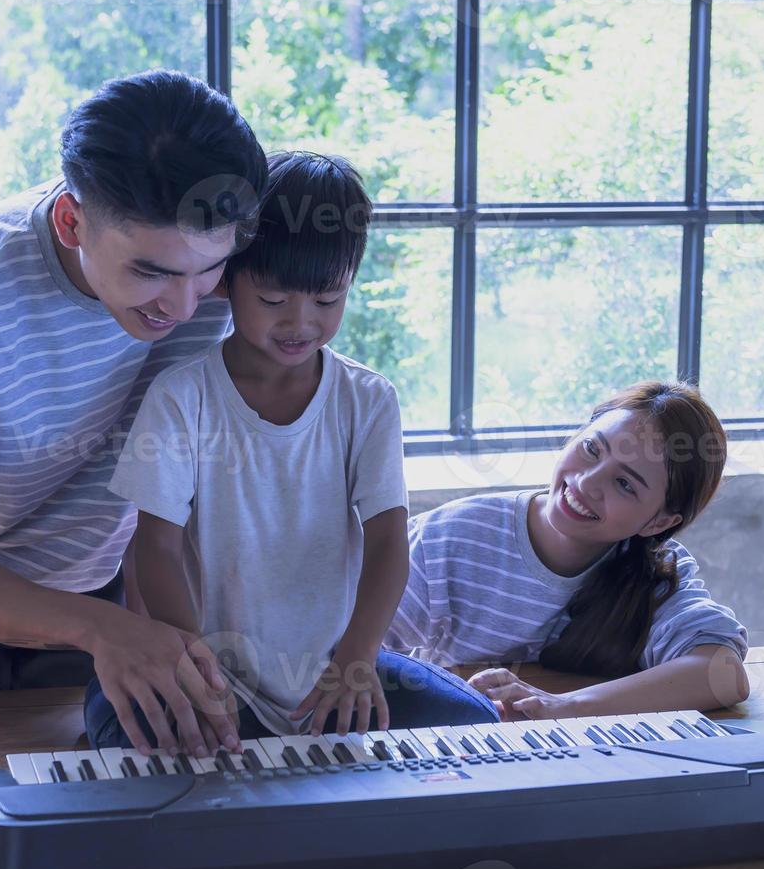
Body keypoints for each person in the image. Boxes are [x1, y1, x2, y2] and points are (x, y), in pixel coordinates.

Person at [0, 70, 267, 758]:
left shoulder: (232, 264)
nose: (183, 307)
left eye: (206, 270)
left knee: (112, 808)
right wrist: (103, 629)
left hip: (95, 591)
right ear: (72, 221)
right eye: (151, 271)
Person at [92, 151, 497, 750]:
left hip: (334, 666)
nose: (300, 324)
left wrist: (358, 658)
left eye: (328, 301)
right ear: (228, 279)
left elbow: (388, 541)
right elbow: (155, 546)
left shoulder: (368, 400)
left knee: (475, 727)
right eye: (275, 300)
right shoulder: (183, 397)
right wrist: (195, 664)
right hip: (206, 661)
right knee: (133, 742)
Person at [386, 380, 751, 719]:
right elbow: (347, 654)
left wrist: (564, 706)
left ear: (658, 523)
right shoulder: (452, 537)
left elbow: (724, 674)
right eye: (592, 448)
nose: (586, 482)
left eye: (625, 484)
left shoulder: (656, 571)